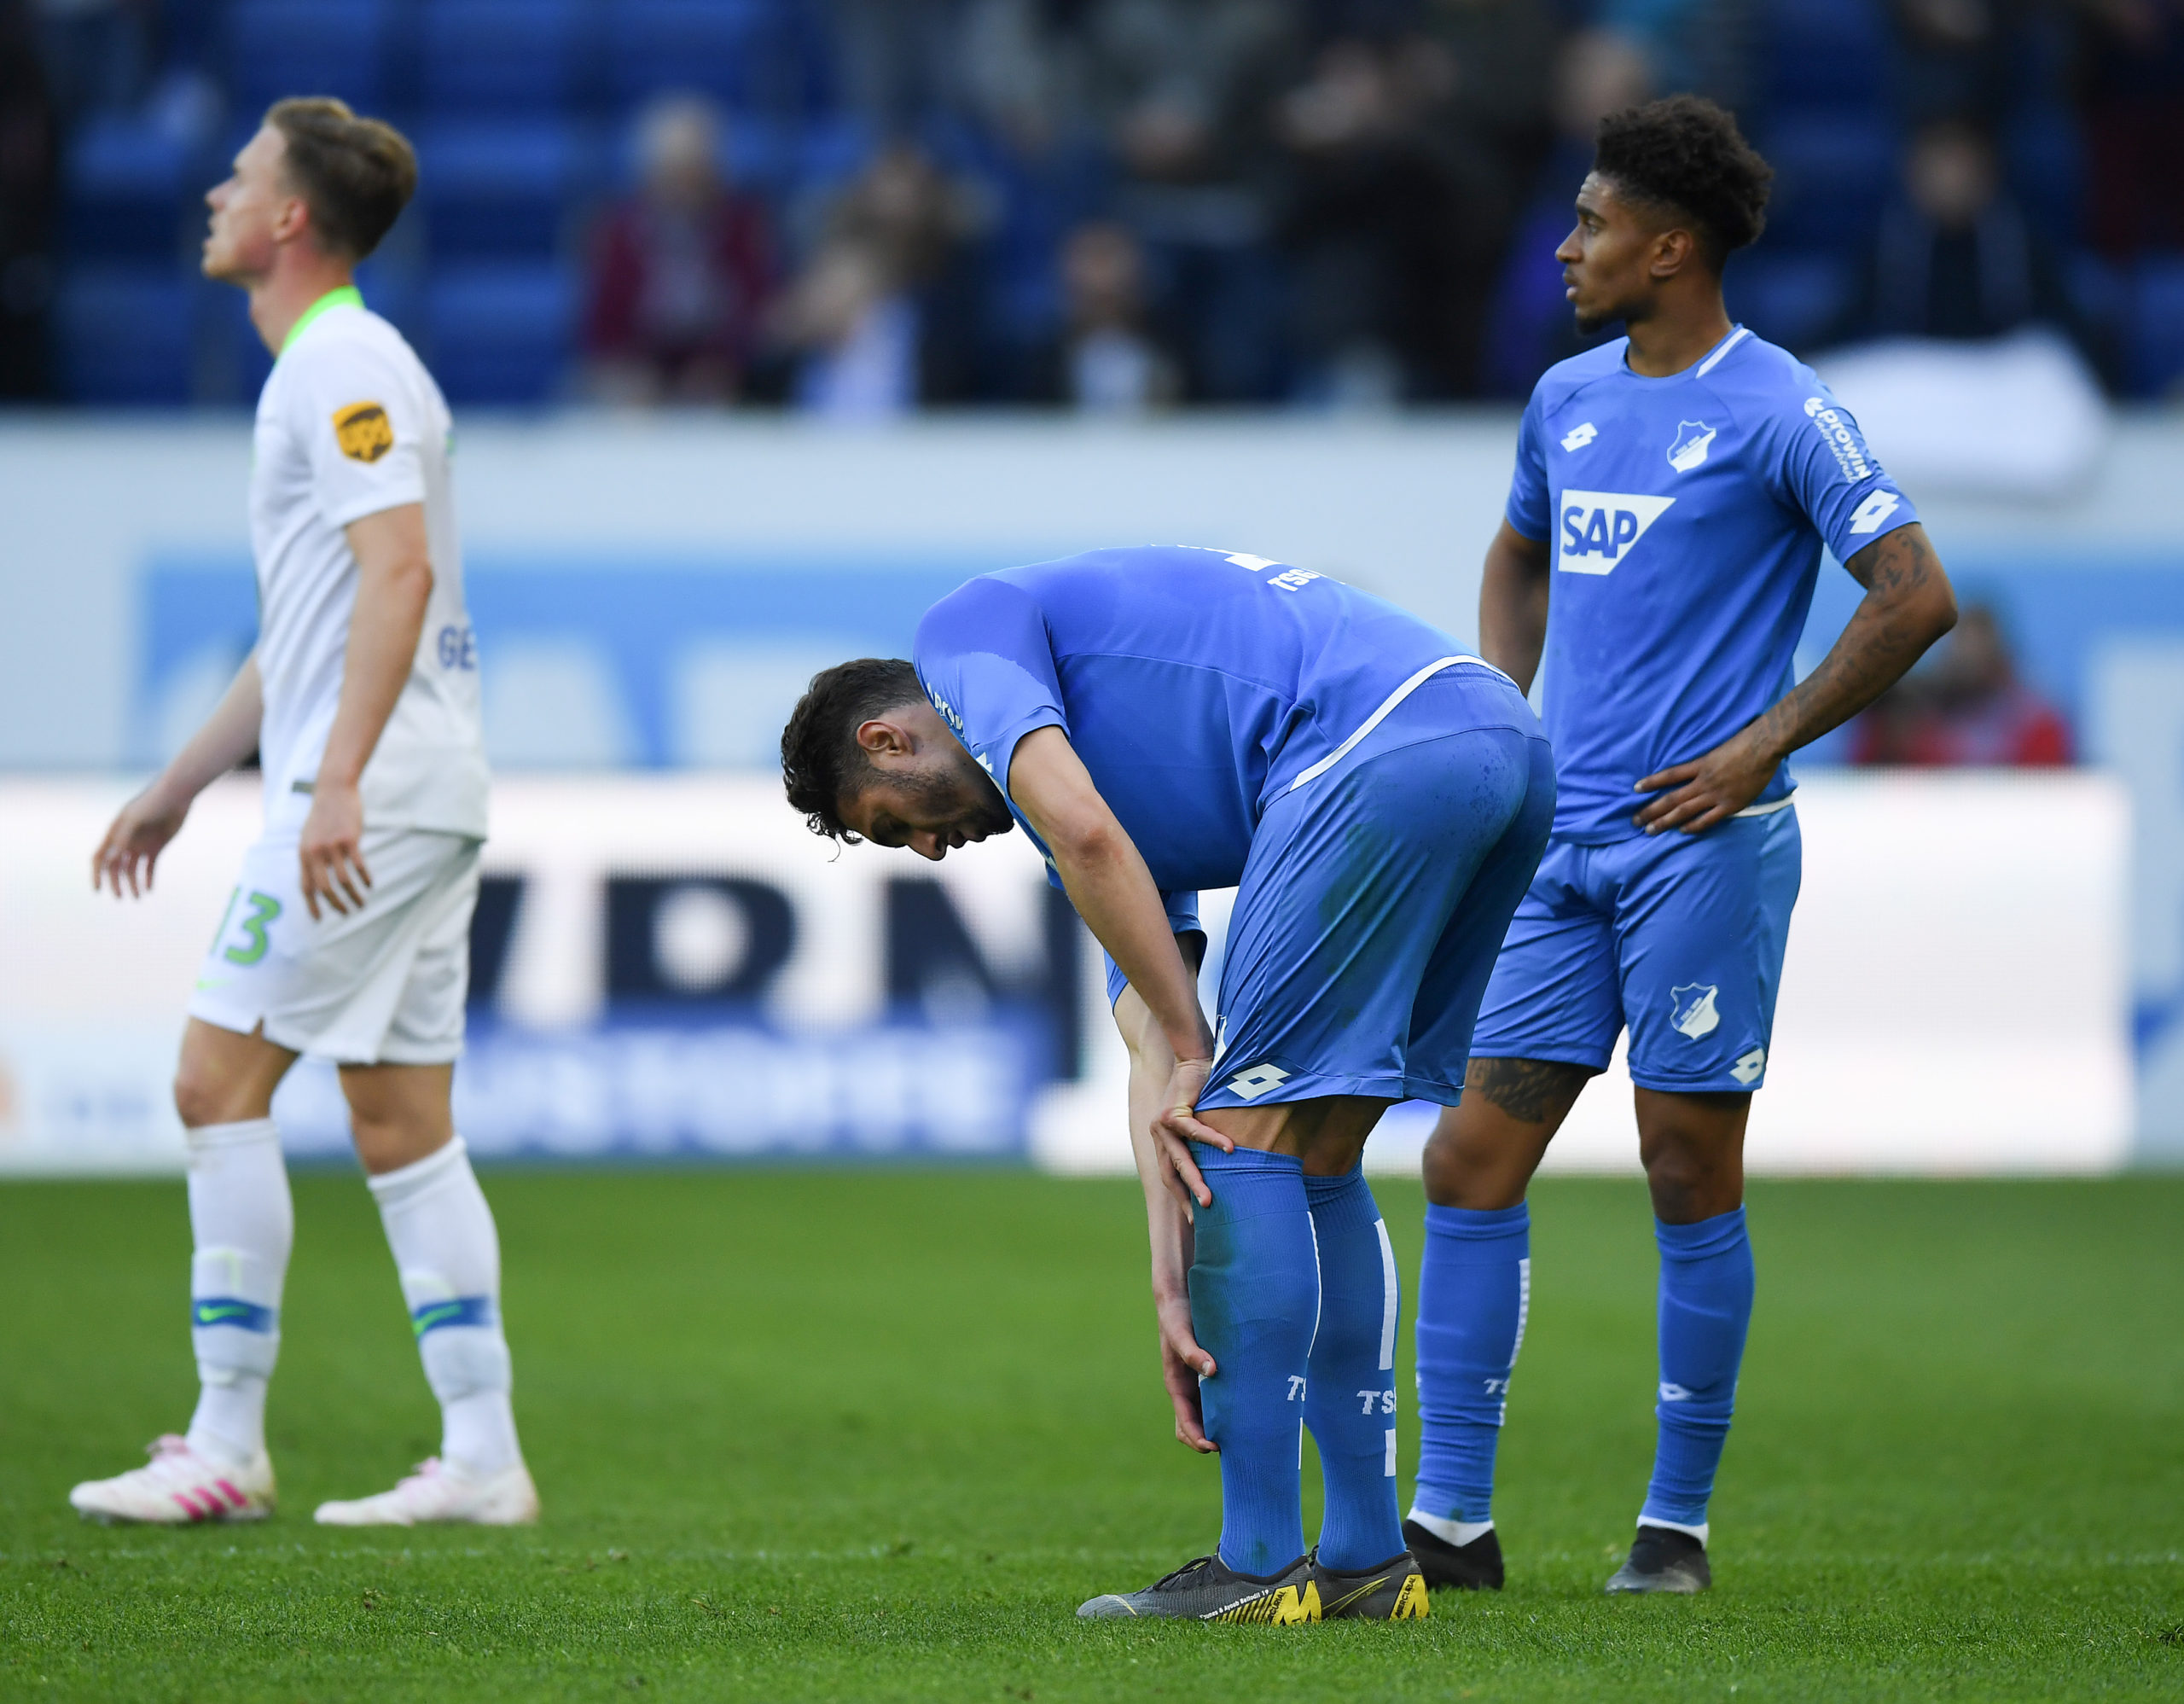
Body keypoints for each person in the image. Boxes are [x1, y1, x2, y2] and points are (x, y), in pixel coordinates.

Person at [779, 544, 1556, 1622]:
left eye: (893, 820)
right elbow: (1155, 1059)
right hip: (1500, 743)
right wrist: (1171, 1286)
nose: (929, 850)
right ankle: (1370, 1560)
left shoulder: (963, 635)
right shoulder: (1098, 768)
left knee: (1244, 1132)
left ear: (887, 738)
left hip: (1376, 743)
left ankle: (1256, 1563)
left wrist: (1197, 1047)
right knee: (1316, 1152)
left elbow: (1100, 862)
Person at [1404, 96, 1958, 1596]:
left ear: (1671, 247)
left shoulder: (1781, 407)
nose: (1567, 246)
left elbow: (1915, 593)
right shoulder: (1565, 398)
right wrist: (1503, 715)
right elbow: (1518, 551)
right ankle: (1450, 1524)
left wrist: (1762, 743)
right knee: (1467, 1155)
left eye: (1592, 224)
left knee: (1684, 1163)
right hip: (1557, 851)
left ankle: (1675, 1527)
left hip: (1700, 852)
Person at [71, 98, 535, 1528]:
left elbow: (397, 575)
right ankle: (482, 1455)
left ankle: (224, 1441)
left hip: (373, 794)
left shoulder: (340, 365)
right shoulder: (336, 367)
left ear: (288, 217)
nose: (215, 194)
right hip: (416, 784)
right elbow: (310, 631)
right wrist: (180, 783)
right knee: (399, 1119)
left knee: (214, 1084)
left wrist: (333, 783)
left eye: (241, 177)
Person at [580, 95, 776, 406]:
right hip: (639, 367)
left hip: (719, 367)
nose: (683, 185)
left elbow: (759, 309)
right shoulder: (619, 232)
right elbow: (604, 323)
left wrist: (727, 362)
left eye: (693, 171)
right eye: (673, 172)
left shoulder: (742, 226)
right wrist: (628, 370)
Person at [1850, 602, 2071, 766]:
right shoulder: (1919, 716)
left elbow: (2047, 793)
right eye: (1960, 648)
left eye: (1978, 649)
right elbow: (1869, 781)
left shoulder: (2032, 720)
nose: (1968, 657)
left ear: (2001, 658)